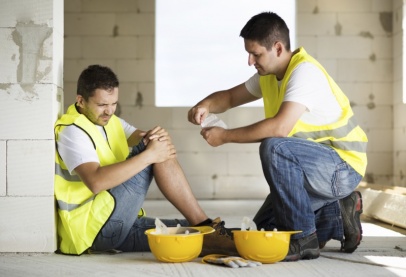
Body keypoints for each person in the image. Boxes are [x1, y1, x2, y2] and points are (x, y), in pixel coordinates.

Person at [188, 12, 367, 262]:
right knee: (262, 232)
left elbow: (279, 128)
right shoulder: (269, 74)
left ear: (278, 48)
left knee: (274, 147)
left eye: (256, 54)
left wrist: (225, 136)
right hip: (313, 169)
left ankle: (304, 240)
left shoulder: (304, 72)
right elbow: (229, 98)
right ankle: (339, 216)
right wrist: (204, 105)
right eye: (248, 54)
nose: (250, 61)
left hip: (342, 167)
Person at [54, 64, 238, 256]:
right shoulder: (73, 131)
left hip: (117, 226)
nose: (109, 111)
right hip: (95, 227)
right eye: (102, 105)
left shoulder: (110, 121)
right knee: (154, 148)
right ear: (81, 101)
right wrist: (151, 153)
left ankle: (220, 235)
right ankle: (206, 225)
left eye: (113, 103)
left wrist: (157, 135)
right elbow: (95, 181)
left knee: (191, 232)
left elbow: (140, 136)